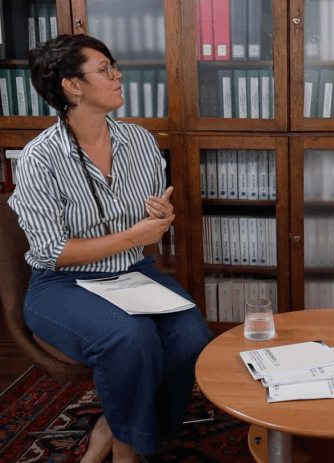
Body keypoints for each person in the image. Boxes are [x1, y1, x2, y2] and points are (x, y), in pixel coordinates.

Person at [8, 34, 214, 463]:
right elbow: (51, 251)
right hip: (61, 284)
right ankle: (126, 449)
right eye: (104, 69)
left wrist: (161, 217)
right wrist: (133, 237)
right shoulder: (38, 159)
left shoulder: (140, 142)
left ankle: (115, 423)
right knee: (131, 338)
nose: (118, 75)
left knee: (192, 334)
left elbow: (149, 223)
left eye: (113, 65)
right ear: (73, 86)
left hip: (132, 273)